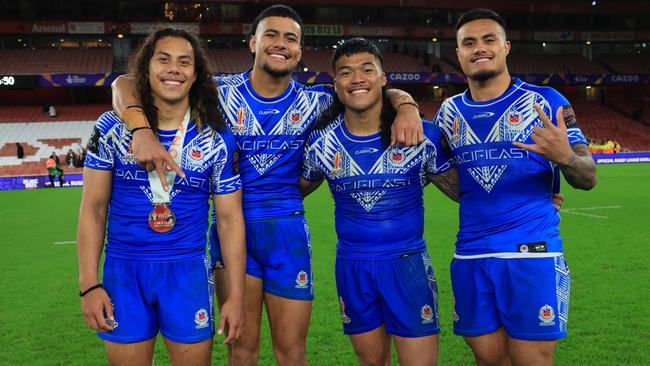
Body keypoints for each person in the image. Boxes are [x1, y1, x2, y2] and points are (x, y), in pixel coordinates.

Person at [111, 5, 424, 365]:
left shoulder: (317, 101)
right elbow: (123, 84)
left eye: (290, 38)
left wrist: (408, 106)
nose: (280, 43)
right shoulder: (218, 93)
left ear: (300, 51)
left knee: (291, 352)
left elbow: (372, 90)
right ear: (253, 43)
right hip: (232, 232)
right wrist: (140, 129)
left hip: (287, 232)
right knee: (242, 349)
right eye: (271, 35)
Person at [434, 9, 597, 366]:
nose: (480, 48)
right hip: (471, 254)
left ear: (506, 47)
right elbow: (456, 181)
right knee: (488, 360)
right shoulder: (448, 112)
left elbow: (588, 176)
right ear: (458, 53)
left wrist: (565, 157)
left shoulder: (547, 101)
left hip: (532, 254)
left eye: (489, 39)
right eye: (469, 43)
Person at [76, 28, 246, 366]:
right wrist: (89, 285)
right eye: (163, 59)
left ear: (195, 74)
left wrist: (237, 295)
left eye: (185, 62)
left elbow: (228, 220)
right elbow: (93, 210)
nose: (174, 69)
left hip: (187, 274)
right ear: (146, 69)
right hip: (124, 273)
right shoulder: (111, 129)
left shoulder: (216, 138)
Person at [299, 38, 459, 366]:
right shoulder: (320, 144)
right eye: (346, 72)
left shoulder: (421, 137)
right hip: (352, 267)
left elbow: (463, 192)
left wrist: (538, 195)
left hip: (407, 265)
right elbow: (290, 192)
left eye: (367, 69)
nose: (357, 78)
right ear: (335, 83)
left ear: (383, 79)